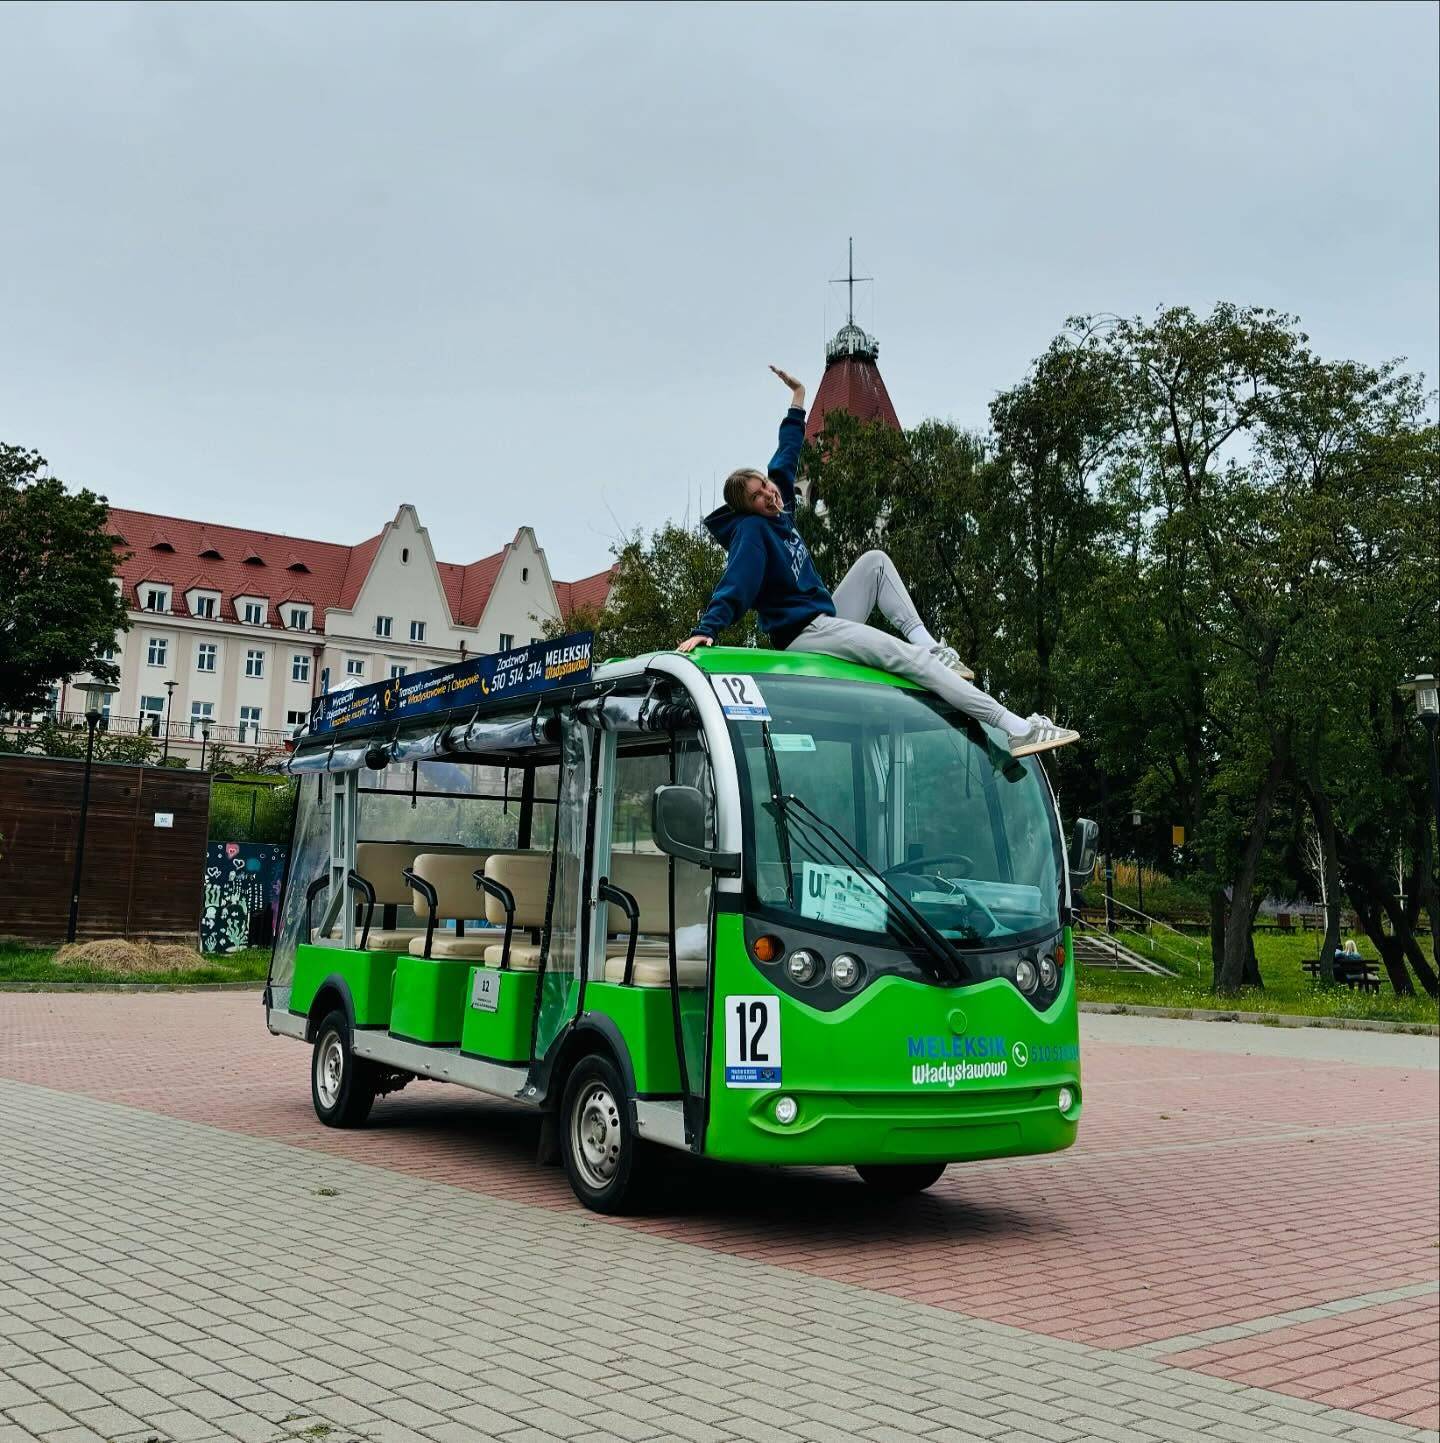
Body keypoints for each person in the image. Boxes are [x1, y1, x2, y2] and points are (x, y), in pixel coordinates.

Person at [676, 366, 1080, 759]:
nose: (768, 494)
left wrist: (798, 399)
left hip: (824, 617)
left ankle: (929, 645)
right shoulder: (752, 532)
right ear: (747, 508)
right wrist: (706, 628)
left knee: (876, 562)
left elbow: (786, 454)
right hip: (803, 633)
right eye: (757, 496)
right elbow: (738, 582)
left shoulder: (779, 506)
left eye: (764, 486)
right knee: (909, 661)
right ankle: (1015, 728)